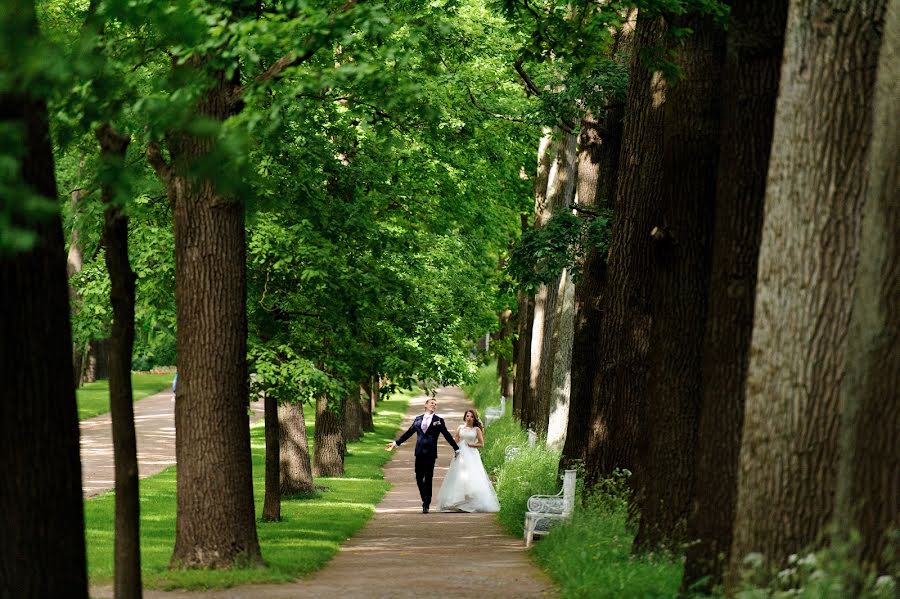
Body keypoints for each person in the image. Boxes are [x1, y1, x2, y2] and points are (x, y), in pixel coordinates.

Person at [385, 397, 460, 513]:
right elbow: (408, 433)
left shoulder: (438, 420)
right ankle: (424, 497)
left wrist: (456, 448)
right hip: (419, 452)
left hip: (431, 453)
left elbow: (447, 435)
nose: (434, 405)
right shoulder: (417, 420)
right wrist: (395, 443)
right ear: (425, 405)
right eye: (432, 403)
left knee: (428, 478)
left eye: (435, 404)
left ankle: (426, 504)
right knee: (419, 477)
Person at [435, 409, 500, 513]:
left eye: (471, 416)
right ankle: (457, 501)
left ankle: (470, 501)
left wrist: (471, 445)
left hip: (471, 455)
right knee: (458, 475)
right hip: (460, 454)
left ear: (474, 418)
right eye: (468, 416)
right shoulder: (460, 428)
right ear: (465, 417)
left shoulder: (476, 429)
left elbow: (481, 444)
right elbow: (455, 440)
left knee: (471, 476)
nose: (469, 418)